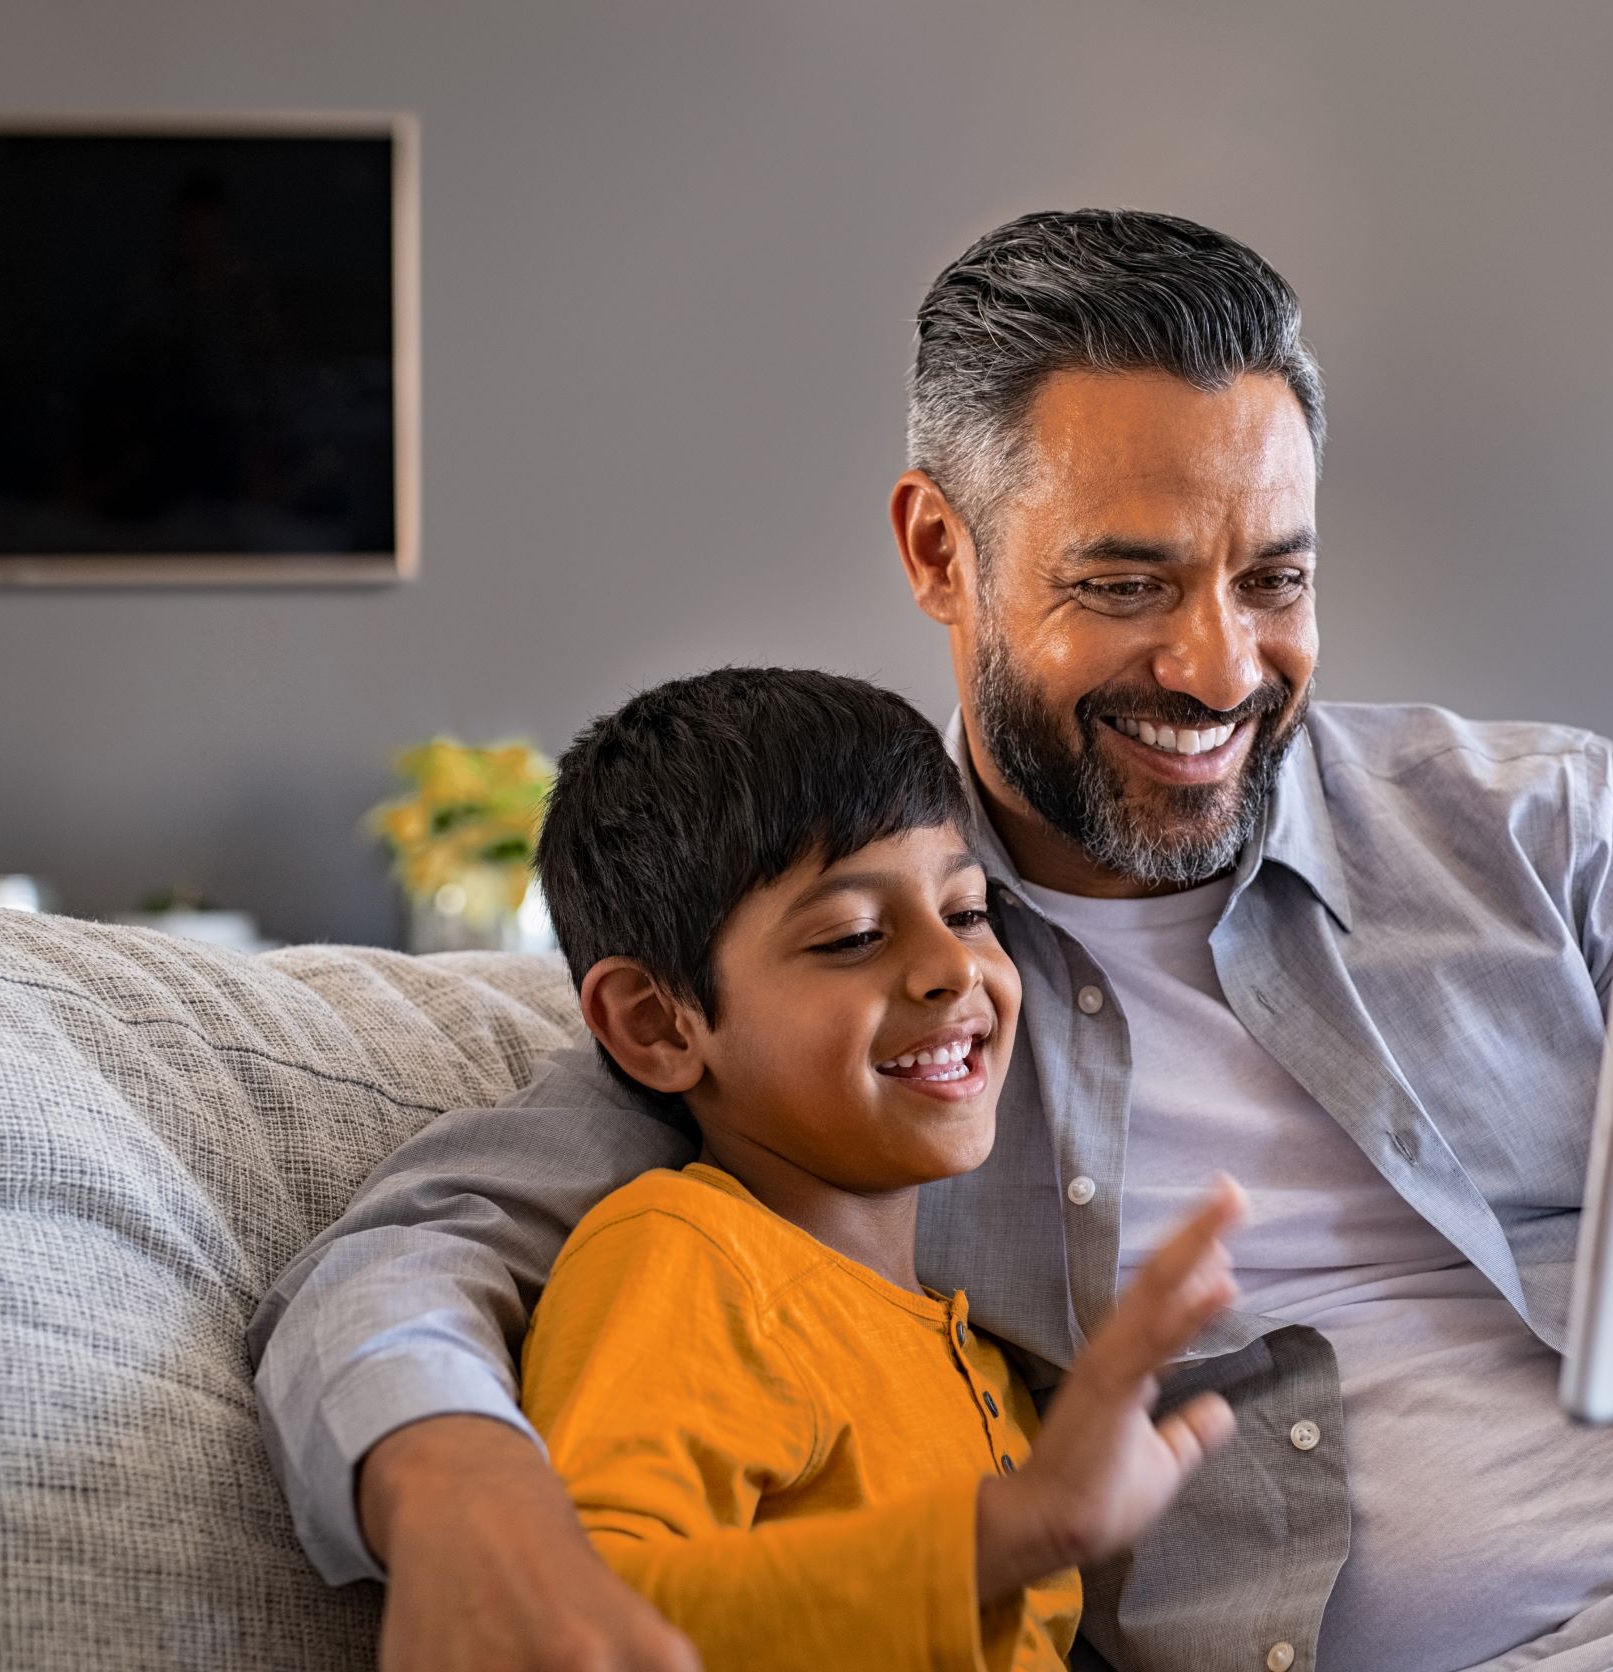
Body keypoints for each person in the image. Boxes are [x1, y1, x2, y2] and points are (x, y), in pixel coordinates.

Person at [251, 209, 1613, 1672]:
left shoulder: (1530, 831)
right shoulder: (868, 991)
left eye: (1274, 574)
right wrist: (453, 1490)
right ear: (935, 549)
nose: (1219, 662)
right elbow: (414, 1245)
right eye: (1130, 579)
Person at [514, 666, 1247, 1670]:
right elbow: (583, 1618)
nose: (952, 966)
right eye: (853, 934)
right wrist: (1015, 1528)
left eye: (970, 910)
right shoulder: (688, 1259)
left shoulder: (977, 1351)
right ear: (656, 1023)